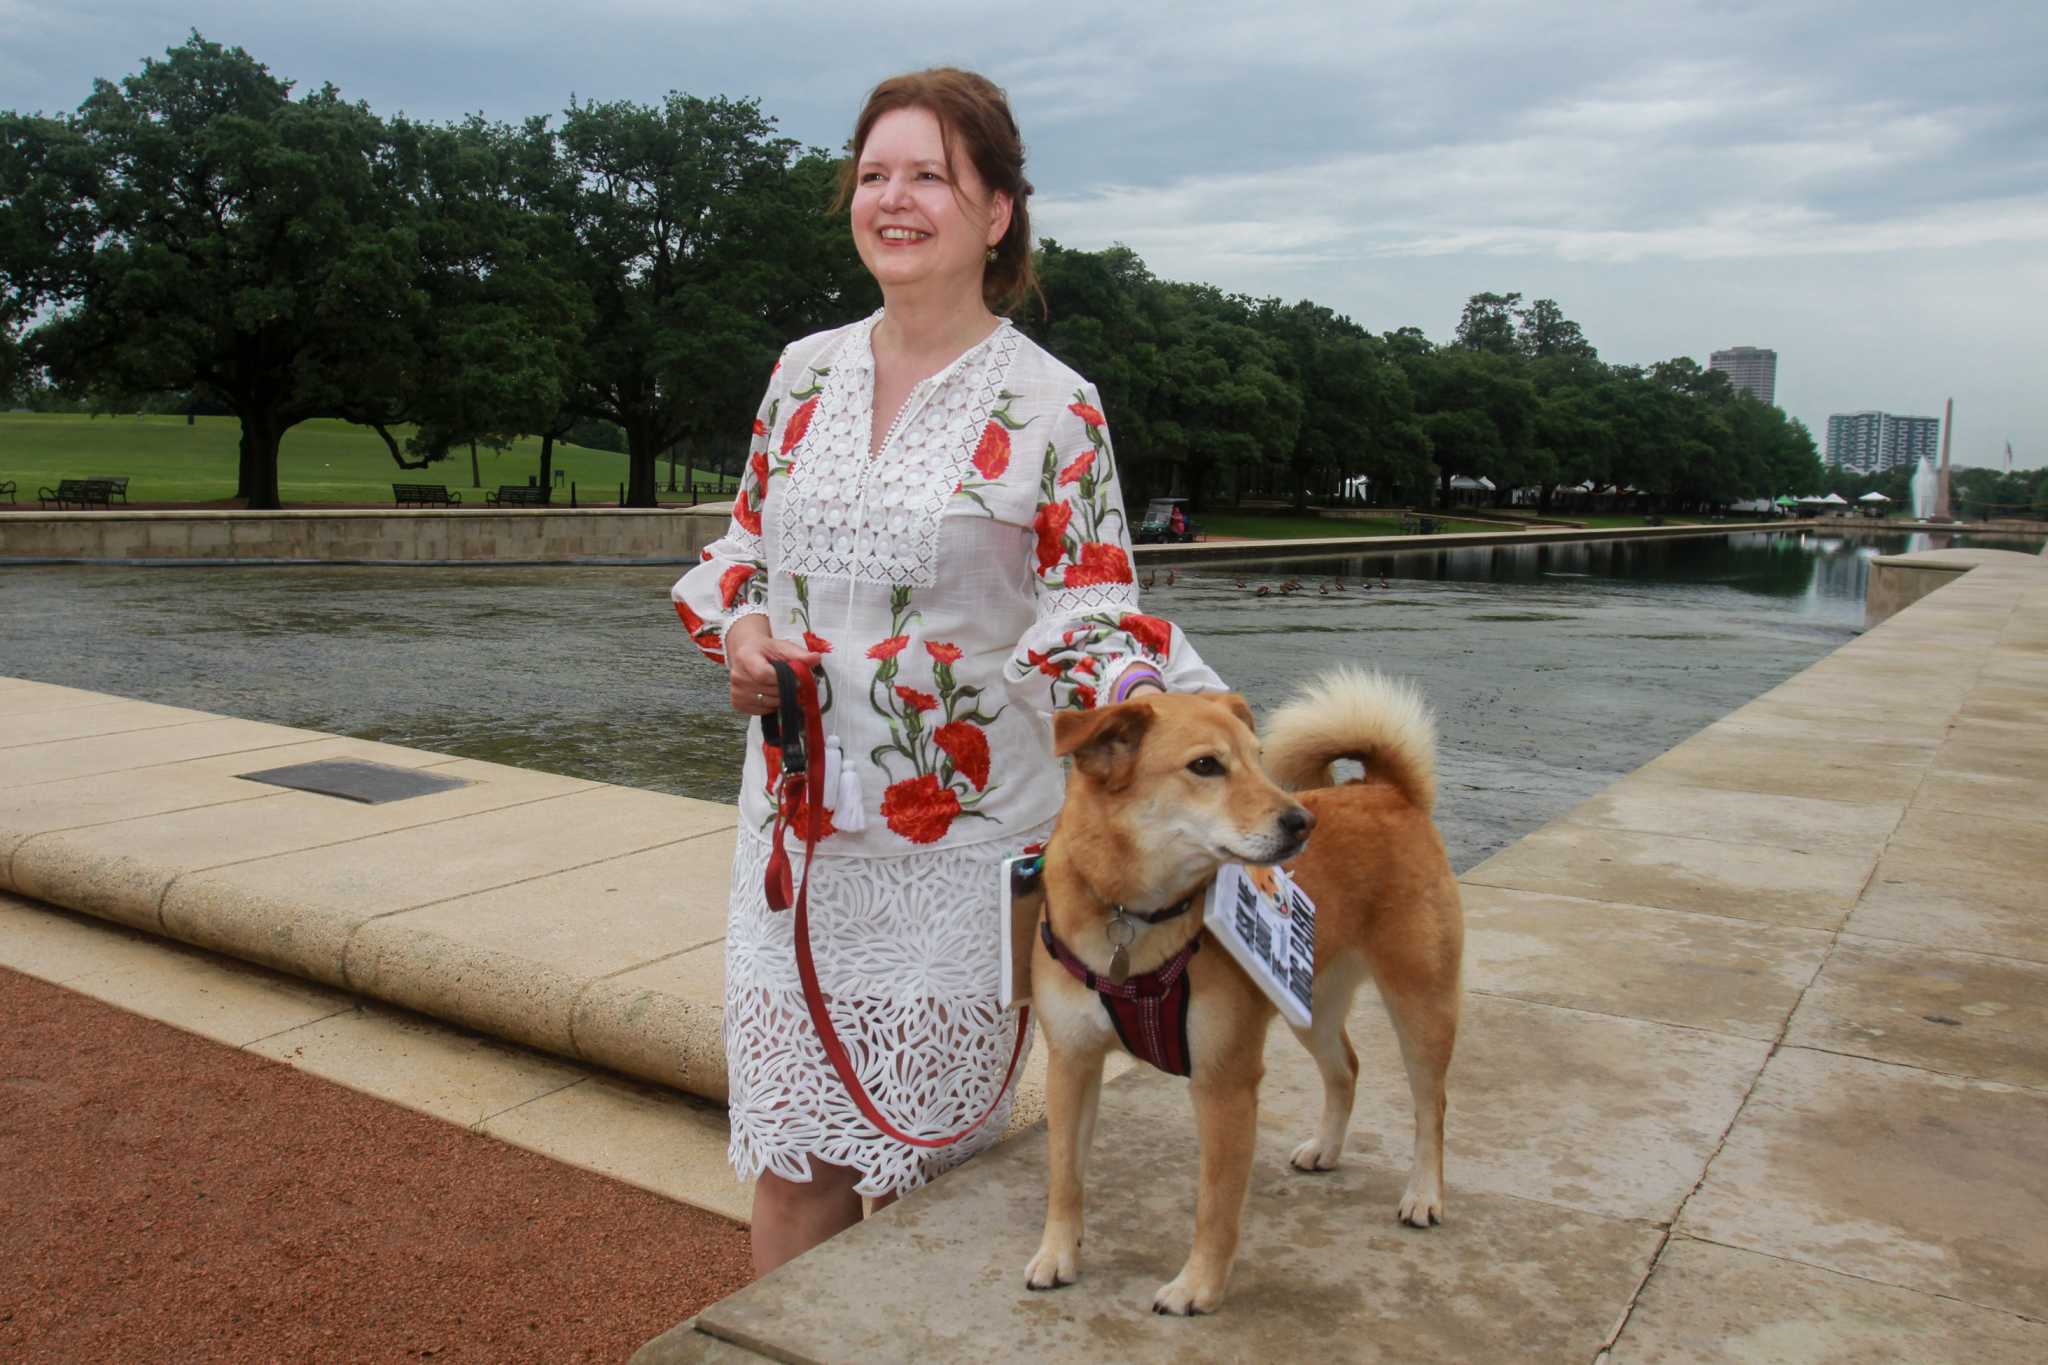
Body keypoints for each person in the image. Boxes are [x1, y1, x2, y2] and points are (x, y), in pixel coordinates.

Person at [671, 67, 1223, 1275]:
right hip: (795, 842)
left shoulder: (1054, 408)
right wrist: (740, 633)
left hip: (961, 862)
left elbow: (1092, 612)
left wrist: (1212, 747)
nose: (895, 199)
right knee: (792, 1159)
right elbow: (743, 555)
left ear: (995, 212)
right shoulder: (799, 375)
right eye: (874, 175)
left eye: (930, 174)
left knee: (939, 1195)